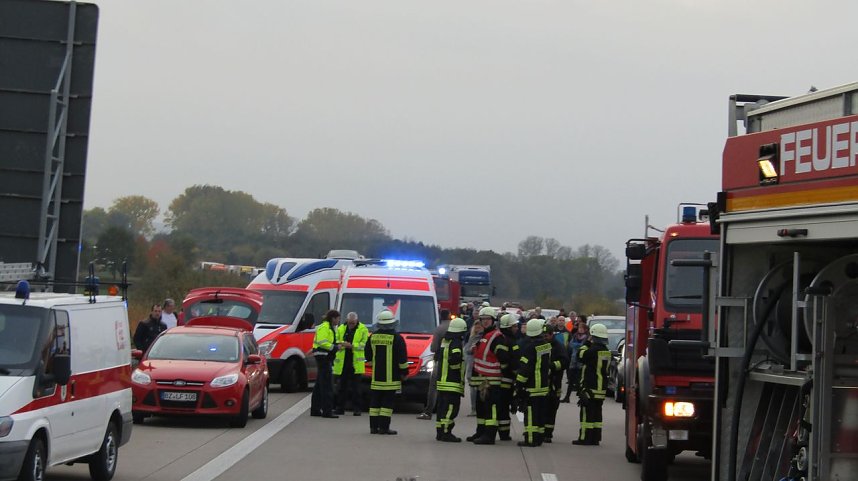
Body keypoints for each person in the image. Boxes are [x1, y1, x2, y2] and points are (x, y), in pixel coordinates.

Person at [365, 310, 408, 434]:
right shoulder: (397, 338)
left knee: (375, 403)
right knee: (387, 404)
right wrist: (404, 373)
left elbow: (367, 355)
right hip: (391, 378)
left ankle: (373, 428)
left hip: (377, 377)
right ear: (392, 323)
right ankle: (384, 428)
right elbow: (402, 359)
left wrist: (374, 364)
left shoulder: (372, 336)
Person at [466, 307, 503, 445]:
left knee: (490, 408)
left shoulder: (496, 337)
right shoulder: (483, 336)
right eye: (483, 319)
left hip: (491, 380)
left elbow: (503, 359)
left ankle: (489, 435)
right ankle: (480, 431)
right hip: (482, 380)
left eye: (488, 319)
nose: (485, 322)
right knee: (481, 407)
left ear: (493, 320)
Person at [514, 318, 553, 447]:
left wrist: (519, 385)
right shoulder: (546, 345)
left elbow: (525, 369)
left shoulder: (530, 348)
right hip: (543, 386)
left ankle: (530, 439)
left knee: (530, 414)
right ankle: (539, 437)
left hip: (532, 386)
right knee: (540, 414)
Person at [573, 323, 611, 446]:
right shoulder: (606, 351)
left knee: (586, 414)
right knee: (597, 414)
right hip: (601, 388)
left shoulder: (592, 350)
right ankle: (595, 438)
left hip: (590, 387)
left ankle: (585, 438)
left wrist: (586, 343)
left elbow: (580, 355)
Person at [434, 317, 467, 442]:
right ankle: (446, 432)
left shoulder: (445, 341)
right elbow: (455, 358)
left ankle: (440, 432)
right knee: (451, 408)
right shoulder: (456, 342)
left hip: (442, 381)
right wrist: (457, 369)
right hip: (452, 382)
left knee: (442, 408)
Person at [418, 309, 452, 420]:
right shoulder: (456, 327)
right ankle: (448, 410)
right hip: (454, 361)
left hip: (441, 360)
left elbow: (433, 348)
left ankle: (428, 412)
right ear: (449, 316)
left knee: (433, 387)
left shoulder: (440, 328)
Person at [333, 311, 369, 416]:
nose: (351, 325)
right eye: (349, 323)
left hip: (356, 364)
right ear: (347, 321)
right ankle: (340, 408)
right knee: (341, 387)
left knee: (356, 388)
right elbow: (336, 340)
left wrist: (352, 345)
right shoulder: (341, 328)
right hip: (343, 363)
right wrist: (342, 343)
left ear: (356, 321)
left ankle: (357, 409)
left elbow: (365, 345)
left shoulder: (363, 329)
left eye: (353, 323)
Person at [544, 318, 570, 442]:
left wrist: (553, 366)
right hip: (542, 383)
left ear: (551, 334)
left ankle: (548, 434)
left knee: (551, 408)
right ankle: (541, 431)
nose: (544, 337)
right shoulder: (541, 344)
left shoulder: (558, 346)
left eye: (546, 335)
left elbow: (565, 362)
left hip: (554, 382)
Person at [310, 310, 340, 418]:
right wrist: (335, 347)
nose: (338, 320)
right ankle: (327, 411)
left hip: (324, 356)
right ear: (333, 318)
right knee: (327, 386)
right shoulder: (325, 327)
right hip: (323, 357)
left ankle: (316, 409)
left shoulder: (329, 327)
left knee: (319, 385)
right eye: (337, 318)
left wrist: (336, 345)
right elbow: (322, 342)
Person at [496, 313, 520, 440]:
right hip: (504, 380)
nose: (516, 328)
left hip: (507, 379)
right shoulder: (506, 341)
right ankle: (504, 434)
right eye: (514, 326)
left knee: (503, 407)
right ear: (508, 327)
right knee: (503, 407)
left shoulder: (509, 340)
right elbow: (508, 360)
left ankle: (504, 433)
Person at [562, 316, 589, 403]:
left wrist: (576, 345)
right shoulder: (575, 336)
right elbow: (570, 345)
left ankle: (582, 396)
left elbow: (583, 346)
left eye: (582, 328)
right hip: (573, 360)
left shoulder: (586, 337)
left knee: (578, 380)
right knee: (571, 380)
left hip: (580, 361)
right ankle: (567, 397)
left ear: (585, 329)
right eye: (579, 328)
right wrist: (577, 346)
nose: (580, 330)